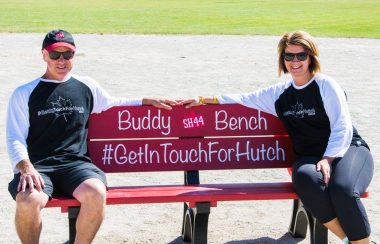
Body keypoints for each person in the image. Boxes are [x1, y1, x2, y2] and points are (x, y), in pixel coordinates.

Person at [181, 30, 374, 244]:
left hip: (348, 150)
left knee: (342, 189)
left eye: (301, 55)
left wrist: (328, 159)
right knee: (305, 179)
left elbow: (342, 126)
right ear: (282, 59)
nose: (295, 61)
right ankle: (354, 241)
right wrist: (206, 99)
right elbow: (245, 98)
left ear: (311, 57)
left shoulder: (325, 85)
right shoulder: (279, 93)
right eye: (288, 56)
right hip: (310, 157)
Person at [6, 29, 177, 244]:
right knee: (28, 200)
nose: (62, 60)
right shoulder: (25, 93)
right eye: (55, 54)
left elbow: (114, 103)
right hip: (40, 167)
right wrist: (26, 168)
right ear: (44, 55)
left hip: (75, 165)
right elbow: (14, 137)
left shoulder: (86, 86)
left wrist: (145, 100)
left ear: (74, 56)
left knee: (96, 192)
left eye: (67, 55)